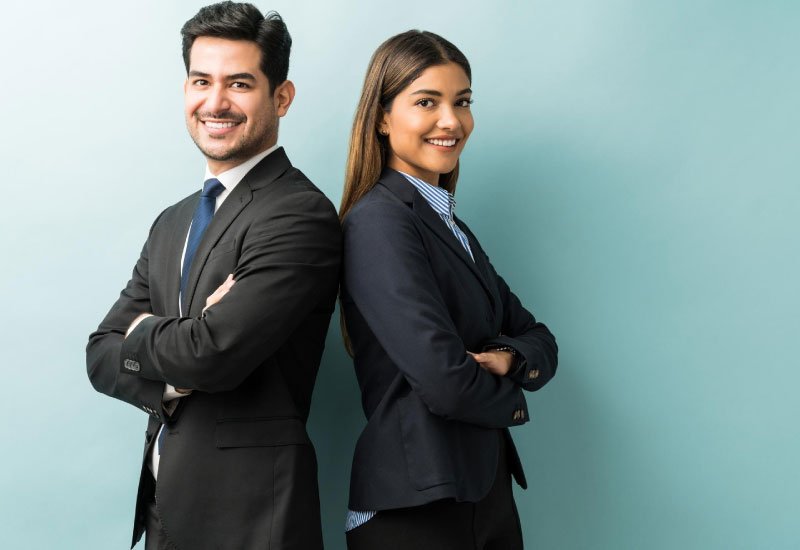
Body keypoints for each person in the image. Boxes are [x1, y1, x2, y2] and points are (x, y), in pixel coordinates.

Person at [86, 3, 340, 549]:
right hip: (164, 513)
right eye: (201, 81)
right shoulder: (172, 221)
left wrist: (147, 334)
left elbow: (213, 355)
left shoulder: (299, 213)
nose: (215, 102)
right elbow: (100, 354)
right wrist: (182, 352)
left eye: (239, 83)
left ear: (282, 97)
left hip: (250, 521)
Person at [339, 30, 558, 550]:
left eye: (462, 102)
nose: (451, 121)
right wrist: (515, 399)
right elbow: (445, 381)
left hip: (481, 493)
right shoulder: (379, 222)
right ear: (382, 118)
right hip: (416, 506)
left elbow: (538, 337)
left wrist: (509, 357)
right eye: (426, 102)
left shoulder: (450, 226)